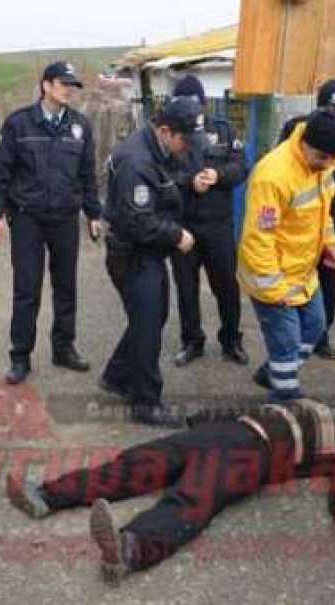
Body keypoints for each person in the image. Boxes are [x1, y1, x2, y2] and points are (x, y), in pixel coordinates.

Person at [7, 396, 335, 585]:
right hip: (222, 432)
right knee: (138, 462)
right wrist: (200, 419)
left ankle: (130, 548)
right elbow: (252, 408)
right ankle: (46, 495)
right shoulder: (313, 402)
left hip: (254, 454)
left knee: (195, 497)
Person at [0, 61, 103, 384]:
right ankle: (20, 356)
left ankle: (64, 348)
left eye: (72, 85)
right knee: (27, 290)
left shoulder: (80, 127)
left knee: (66, 287)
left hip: (65, 218)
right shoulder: (19, 124)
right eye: (63, 84)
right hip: (28, 219)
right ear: (46, 86)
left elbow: (86, 176)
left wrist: (93, 214)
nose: (69, 90)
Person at [98, 97, 201, 427]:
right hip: (134, 254)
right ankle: (146, 402)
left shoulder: (157, 150)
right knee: (148, 324)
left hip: (145, 253)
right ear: (166, 131)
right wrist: (176, 236)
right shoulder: (136, 161)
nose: (187, 148)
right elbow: (138, 222)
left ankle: (116, 375)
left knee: (151, 318)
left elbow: (168, 184)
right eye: (184, 140)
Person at [238, 110, 335, 401]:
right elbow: (258, 239)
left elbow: (323, 212)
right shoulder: (273, 175)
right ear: (305, 144)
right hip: (271, 279)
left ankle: (273, 374)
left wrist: (330, 243)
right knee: (286, 344)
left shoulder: (322, 166)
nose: (328, 165)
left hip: (303, 273)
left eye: (332, 159)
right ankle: (286, 407)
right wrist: (275, 290)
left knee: (315, 327)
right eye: (323, 157)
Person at [278, 79, 335, 360]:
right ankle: (313, 336)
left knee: (315, 274)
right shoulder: (304, 127)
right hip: (312, 215)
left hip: (329, 216)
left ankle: (313, 336)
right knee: (319, 274)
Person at [167, 76, 249, 368]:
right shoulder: (170, 136)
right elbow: (160, 177)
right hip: (184, 225)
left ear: (203, 104)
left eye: (196, 105)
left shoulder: (223, 131)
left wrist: (218, 176)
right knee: (186, 287)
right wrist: (189, 182)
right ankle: (192, 341)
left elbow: (241, 167)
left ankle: (231, 340)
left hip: (218, 226)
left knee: (226, 286)